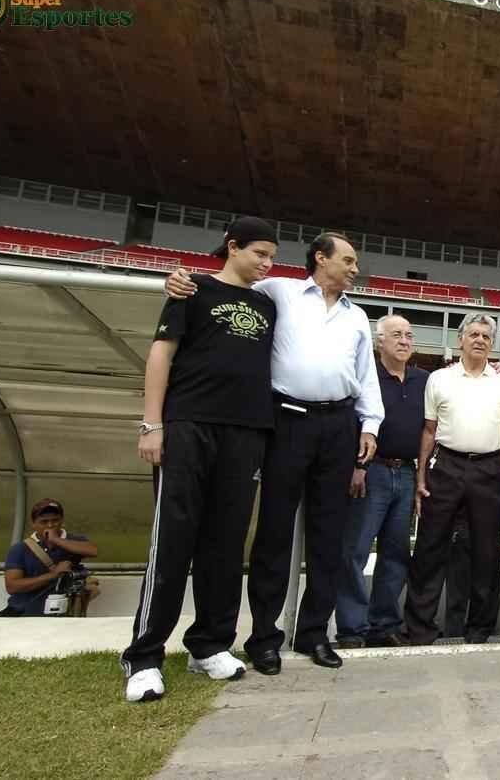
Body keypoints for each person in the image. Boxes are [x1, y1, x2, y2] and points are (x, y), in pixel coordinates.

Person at [165, 231, 384, 674]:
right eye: (348, 260)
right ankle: (264, 638)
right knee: (274, 532)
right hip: (286, 423)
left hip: (339, 426)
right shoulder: (277, 291)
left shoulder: (359, 316)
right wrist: (176, 282)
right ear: (321, 259)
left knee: (328, 537)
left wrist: (371, 424)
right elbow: (225, 283)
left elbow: (366, 375)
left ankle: (314, 634)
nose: (355, 269)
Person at [122, 216, 278, 703]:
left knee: (226, 545)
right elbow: (161, 355)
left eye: (272, 257)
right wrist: (153, 424)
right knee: (172, 540)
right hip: (189, 426)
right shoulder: (192, 290)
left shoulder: (267, 304)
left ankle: (209, 645)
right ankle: (144, 658)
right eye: (260, 254)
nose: (267, 265)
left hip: (247, 433)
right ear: (232, 247)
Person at [403, 313, 500, 645]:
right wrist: (420, 475)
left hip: (488, 470)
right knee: (430, 547)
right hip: (446, 467)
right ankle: (419, 628)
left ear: (492, 343)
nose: (480, 340)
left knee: (487, 551)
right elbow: (429, 431)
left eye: (486, 336)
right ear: (461, 339)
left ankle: (479, 629)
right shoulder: (439, 379)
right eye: (474, 334)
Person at [336, 315, 427, 649]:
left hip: (405, 473)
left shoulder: (423, 380)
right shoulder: (366, 375)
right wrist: (358, 465)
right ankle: (351, 629)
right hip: (370, 471)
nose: (404, 341)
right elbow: (352, 424)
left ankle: (384, 625)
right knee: (355, 551)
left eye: (409, 335)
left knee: (396, 554)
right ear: (379, 342)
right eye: (396, 335)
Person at [2, 498, 98, 616]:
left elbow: (93, 551)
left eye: (55, 520)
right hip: (24, 614)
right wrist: (53, 575)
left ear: (62, 521)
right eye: (44, 521)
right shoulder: (20, 549)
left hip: (63, 614)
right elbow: (12, 586)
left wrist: (56, 540)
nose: (50, 525)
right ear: (33, 524)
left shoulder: (74, 541)